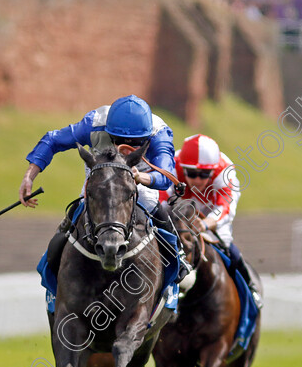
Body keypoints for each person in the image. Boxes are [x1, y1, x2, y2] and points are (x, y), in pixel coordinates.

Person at [18, 94, 188, 280]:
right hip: (100, 177)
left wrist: (141, 177)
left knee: (148, 201)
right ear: (108, 131)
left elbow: (165, 177)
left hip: (140, 179)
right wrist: (29, 177)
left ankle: (176, 257)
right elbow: (53, 140)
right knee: (82, 205)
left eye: (136, 143)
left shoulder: (159, 133)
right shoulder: (93, 123)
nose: (127, 148)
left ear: (147, 136)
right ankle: (51, 266)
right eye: (119, 140)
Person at [163, 133, 262, 308]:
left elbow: (225, 208)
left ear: (213, 170)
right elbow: (161, 201)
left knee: (229, 248)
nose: (198, 180)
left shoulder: (224, 171)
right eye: (192, 173)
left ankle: (249, 288)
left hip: (211, 213)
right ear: (183, 167)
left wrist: (206, 223)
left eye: (204, 174)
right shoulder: (172, 165)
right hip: (180, 211)